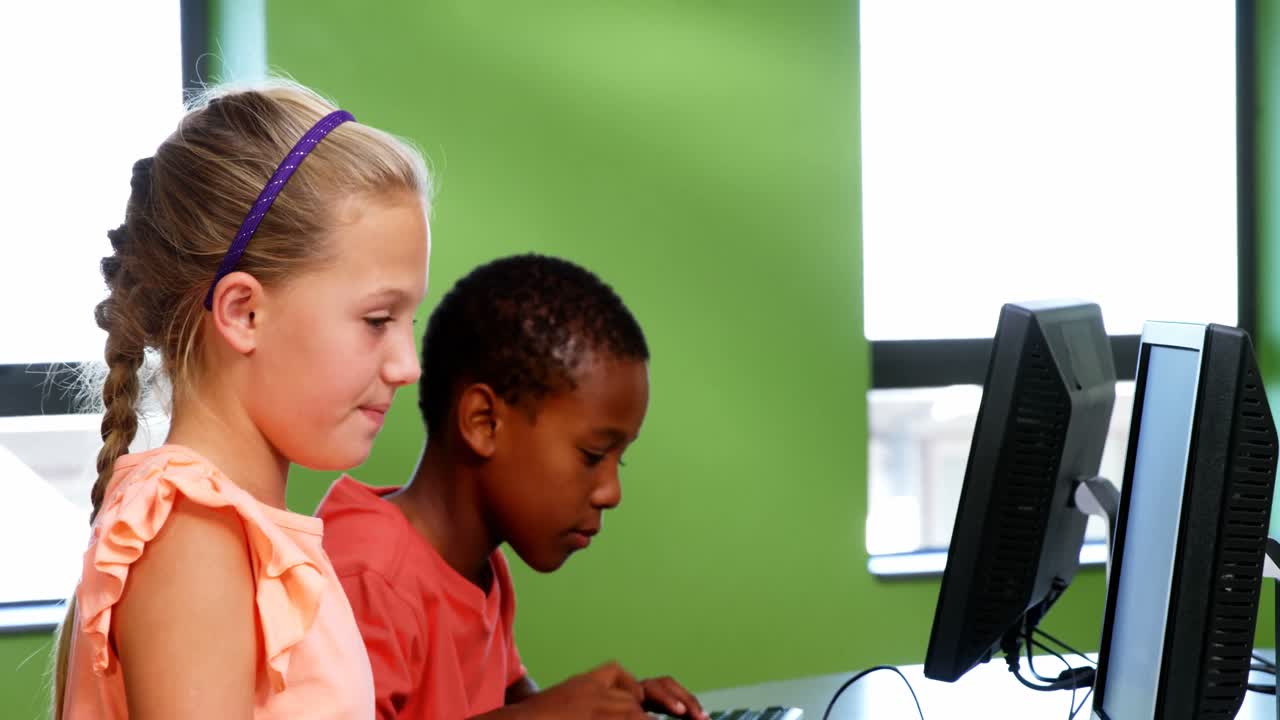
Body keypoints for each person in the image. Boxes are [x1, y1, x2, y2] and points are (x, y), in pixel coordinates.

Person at [52, 80, 432, 719]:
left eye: (408, 322)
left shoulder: (239, 536)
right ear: (244, 312)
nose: (407, 366)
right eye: (377, 320)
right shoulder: (194, 540)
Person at [318, 254, 707, 719]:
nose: (611, 492)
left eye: (618, 460)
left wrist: (607, 709)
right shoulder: (369, 574)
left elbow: (512, 702)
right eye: (592, 456)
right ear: (484, 423)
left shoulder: (483, 570)